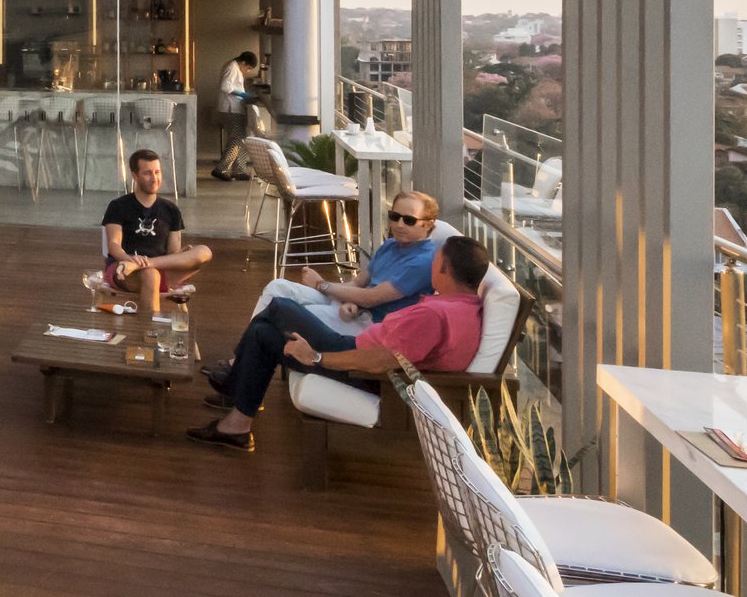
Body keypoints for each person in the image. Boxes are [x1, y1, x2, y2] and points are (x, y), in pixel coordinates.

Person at [186, 234, 491, 452]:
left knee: (279, 307)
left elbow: (380, 361)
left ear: (445, 269)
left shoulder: (435, 316)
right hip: (359, 352)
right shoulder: (463, 307)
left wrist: (317, 357)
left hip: (360, 369)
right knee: (264, 333)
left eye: (435, 262)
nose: (431, 267)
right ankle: (237, 426)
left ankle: (233, 387)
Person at [247, 188, 445, 339]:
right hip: (355, 310)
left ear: (428, 224)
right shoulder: (391, 245)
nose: (399, 224)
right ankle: (242, 356)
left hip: (371, 325)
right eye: (395, 217)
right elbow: (358, 283)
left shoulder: (423, 262)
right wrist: (349, 301)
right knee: (278, 287)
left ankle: (246, 360)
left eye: (409, 220)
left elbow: (371, 298)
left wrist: (321, 284)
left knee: (284, 313)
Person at [99, 149, 213, 315]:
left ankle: (148, 264)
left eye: (157, 172)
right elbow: (113, 245)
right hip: (123, 271)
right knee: (150, 275)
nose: (154, 178)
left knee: (204, 251)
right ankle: (149, 329)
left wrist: (182, 254)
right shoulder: (118, 206)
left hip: (161, 270)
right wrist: (128, 260)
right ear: (134, 175)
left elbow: (173, 253)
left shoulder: (171, 210)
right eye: (147, 173)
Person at [208, 52, 261, 180]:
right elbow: (225, 86)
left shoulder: (235, 67)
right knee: (236, 139)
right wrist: (243, 95)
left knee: (241, 138)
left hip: (236, 109)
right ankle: (221, 169)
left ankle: (239, 170)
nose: (247, 71)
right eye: (248, 68)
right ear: (243, 62)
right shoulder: (232, 67)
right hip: (231, 109)